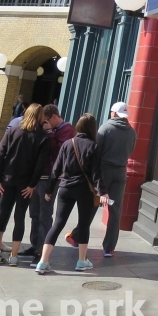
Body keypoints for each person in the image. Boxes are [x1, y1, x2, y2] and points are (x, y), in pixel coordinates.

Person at [37, 114, 105, 274]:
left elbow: (56, 168)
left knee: (58, 224)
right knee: (83, 224)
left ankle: (43, 261)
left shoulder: (68, 144)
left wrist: (49, 189)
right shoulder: (93, 146)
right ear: (92, 128)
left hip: (65, 188)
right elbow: (97, 173)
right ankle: (81, 261)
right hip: (84, 191)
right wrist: (103, 192)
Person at [0, 103, 49, 266]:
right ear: (40, 116)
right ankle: (14, 255)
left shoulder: (12, 131)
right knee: (19, 217)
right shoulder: (43, 136)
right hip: (25, 185)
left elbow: (0, 156)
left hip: (6, 181)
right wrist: (32, 185)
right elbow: (40, 165)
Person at [22, 104, 74, 260]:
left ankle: (42, 250)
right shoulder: (48, 129)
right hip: (37, 177)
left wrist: (50, 134)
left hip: (51, 178)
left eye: (45, 120)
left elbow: (59, 152)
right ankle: (34, 244)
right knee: (34, 214)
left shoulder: (67, 130)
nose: (43, 123)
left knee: (45, 214)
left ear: (53, 117)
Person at [93, 101, 137, 257]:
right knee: (115, 209)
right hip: (120, 172)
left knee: (94, 203)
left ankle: (79, 237)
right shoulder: (132, 132)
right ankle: (109, 247)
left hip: (104, 171)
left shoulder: (105, 129)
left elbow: (96, 152)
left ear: (113, 113)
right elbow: (130, 152)